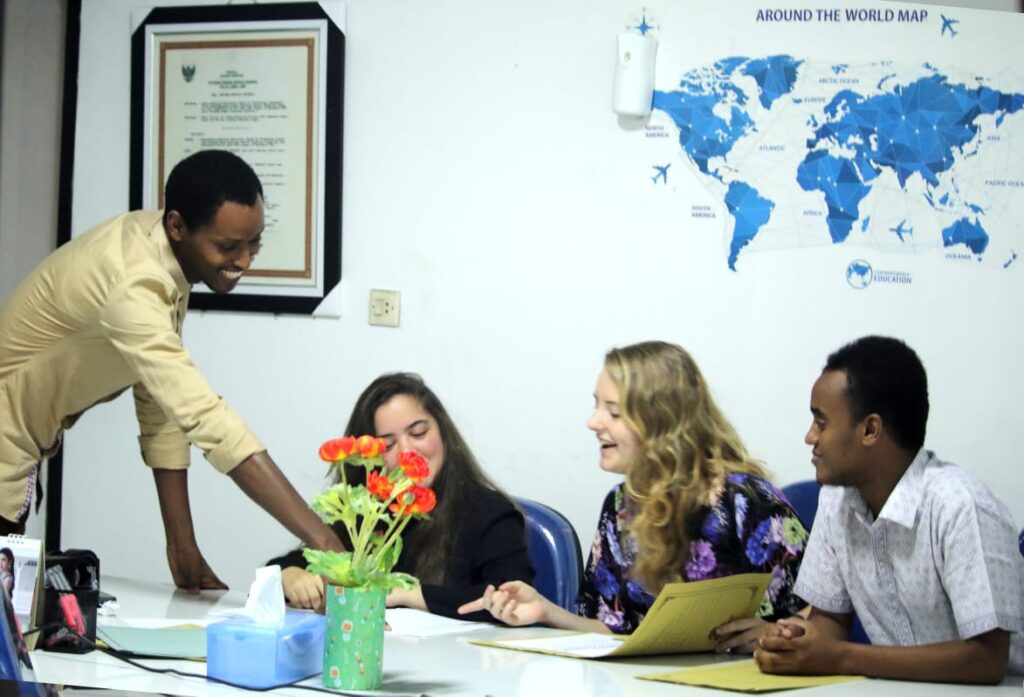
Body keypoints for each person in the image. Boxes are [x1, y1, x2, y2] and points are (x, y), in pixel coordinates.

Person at [0, 150, 342, 592]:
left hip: (20, 445)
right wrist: (324, 543)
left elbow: (159, 401)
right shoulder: (132, 280)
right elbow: (205, 419)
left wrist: (182, 547)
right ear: (178, 226)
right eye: (228, 246)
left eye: (254, 243)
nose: (244, 261)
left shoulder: (162, 252)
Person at [460, 341, 807, 652]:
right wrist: (545, 612)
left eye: (613, 411)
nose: (593, 422)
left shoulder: (744, 500)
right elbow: (614, 631)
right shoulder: (619, 506)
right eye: (597, 406)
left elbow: (826, 607)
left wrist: (775, 632)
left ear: (663, 422)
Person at [755, 336, 1024, 683]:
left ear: (870, 430)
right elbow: (831, 620)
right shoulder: (837, 500)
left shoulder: (961, 506)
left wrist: (841, 657)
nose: (810, 437)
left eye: (821, 422)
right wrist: (798, 639)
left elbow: (987, 660)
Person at [268, 372, 534, 620]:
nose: (407, 452)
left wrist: (405, 595)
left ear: (442, 431)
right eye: (388, 445)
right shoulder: (367, 509)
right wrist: (289, 576)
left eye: (418, 433)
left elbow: (512, 598)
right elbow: (299, 561)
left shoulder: (488, 512)